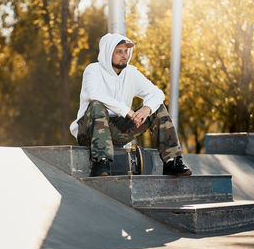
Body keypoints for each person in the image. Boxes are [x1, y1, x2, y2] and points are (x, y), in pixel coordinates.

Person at [70, 33, 191, 177]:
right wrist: (126, 110)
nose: (124, 55)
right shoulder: (93, 70)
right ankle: (100, 162)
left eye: (126, 51)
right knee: (97, 104)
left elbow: (157, 93)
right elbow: (95, 94)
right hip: (89, 132)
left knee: (157, 107)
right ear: (108, 52)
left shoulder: (131, 73)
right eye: (119, 51)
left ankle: (172, 160)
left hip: (117, 131)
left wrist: (147, 108)